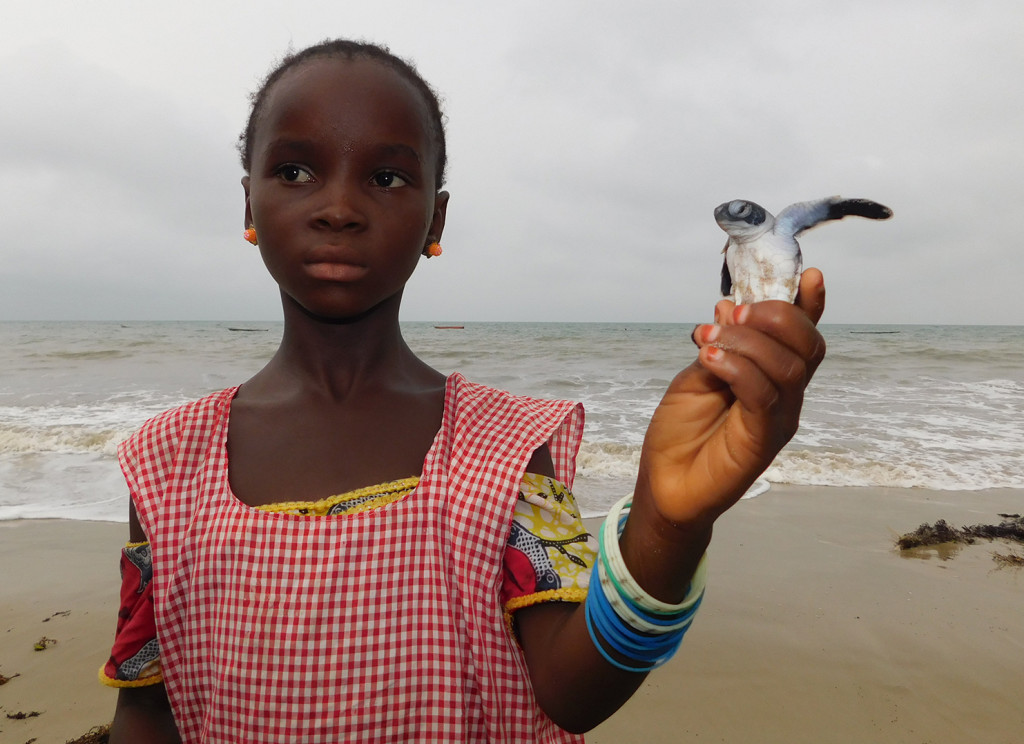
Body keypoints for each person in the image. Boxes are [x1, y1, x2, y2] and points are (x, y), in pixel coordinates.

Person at [100, 39, 826, 743]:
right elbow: (146, 712)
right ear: (248, 206)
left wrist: (668, 524)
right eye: (294, 171)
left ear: (434, 221)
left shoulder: (506, 448)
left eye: (385, 178)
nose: (338, 207)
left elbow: (573, 695)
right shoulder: (169, 463)